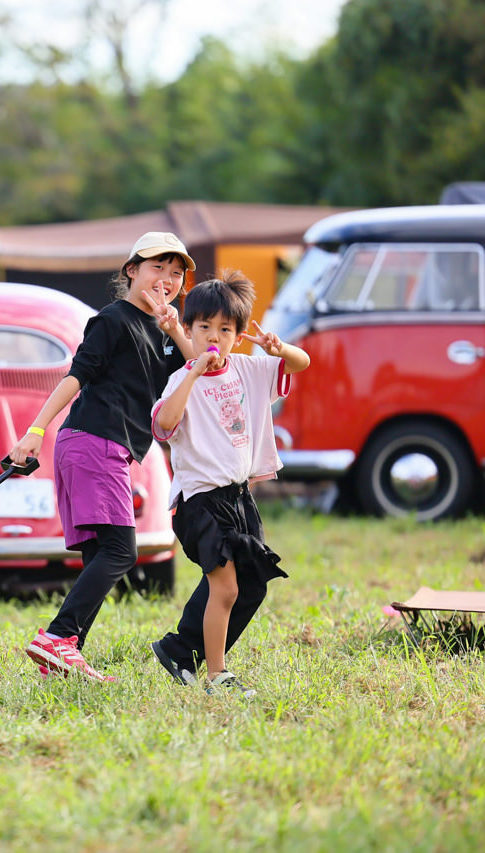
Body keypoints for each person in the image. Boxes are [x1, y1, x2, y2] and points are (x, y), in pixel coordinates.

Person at [9, 232, 197, 682]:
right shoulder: (112, 320)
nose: (167, 280)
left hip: (103, 448)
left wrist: (175, 329)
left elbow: (202, 369)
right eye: (157, 268)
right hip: (94, 443)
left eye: (176, 274)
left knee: (100, 552)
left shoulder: (166, 333)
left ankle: (63, 656)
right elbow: (76, 376)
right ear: (131, 270)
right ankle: (58, 636)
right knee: (120, 550)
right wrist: (36, 430)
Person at [148, 270, 310, 697]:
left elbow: (302, 363)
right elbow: (164, 424)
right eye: (204, 328)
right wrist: (192, 372)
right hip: (201, 502)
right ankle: (217, 675)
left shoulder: (248, 370)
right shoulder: (180, 382)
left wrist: (279, 348)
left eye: (225, 330)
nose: (214, 338)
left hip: (239, 498)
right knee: (225, 587)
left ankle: (180, 651)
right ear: (188, 330)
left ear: (237, 337)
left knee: (251, 584)